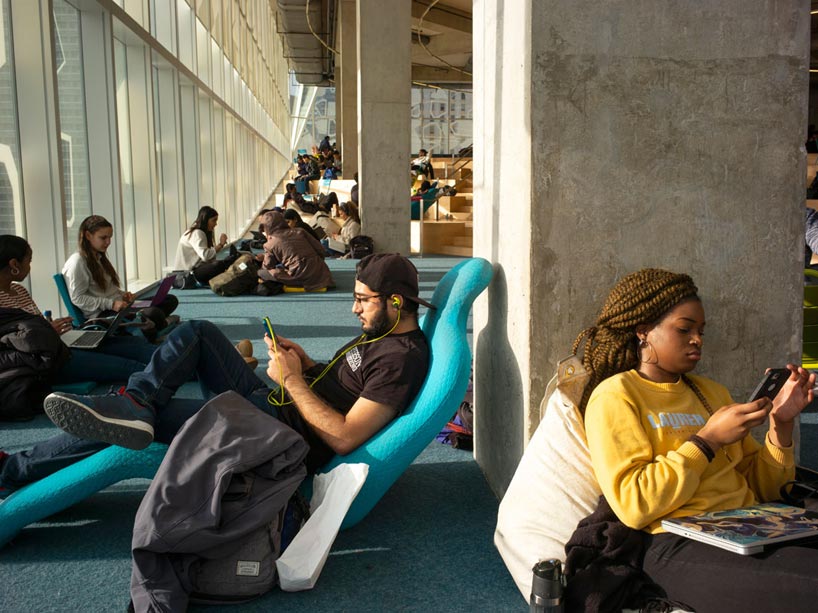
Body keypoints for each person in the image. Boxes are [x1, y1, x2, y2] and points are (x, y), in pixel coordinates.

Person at [0, 254, 432, 495]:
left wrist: (292, 380)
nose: (354, 308)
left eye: (364, 300)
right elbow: (347, 389)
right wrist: (309, 365)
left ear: (396, 301)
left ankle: (13, 471)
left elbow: (343, 436)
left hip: (278, 437)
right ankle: (136, 401)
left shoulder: (401, 358)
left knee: (116, 427)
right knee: (198, 332)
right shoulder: (382, 331)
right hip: (274, 407)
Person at [568, 268, 818, 610]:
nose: (697, 339)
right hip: (675, 542)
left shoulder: (711, 393)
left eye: (700, 331)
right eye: (684, 329)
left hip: (751, 525)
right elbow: (634, 504)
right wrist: (707, 441)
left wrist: (780, 425)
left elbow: (767, 491)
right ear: (643, 332)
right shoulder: (616, 395)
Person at [0, 235, 157, 412]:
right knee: (129, 367)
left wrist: (49, 327)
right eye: (28, 261)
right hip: (47, 360)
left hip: (58, 343)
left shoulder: (19, 290)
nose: (30, 266)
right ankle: (180, 371)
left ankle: (186, 359)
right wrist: (46, 332)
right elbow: (11, 346)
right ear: (14, 264)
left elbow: (31, 327)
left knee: (133, 346)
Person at [63, 215, 178, 332]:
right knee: (154, 312)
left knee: (170, 299)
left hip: (121, 307)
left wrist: (123, 295)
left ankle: (155, 324)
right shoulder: (78, 262)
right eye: (103, 238)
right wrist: (111, 304)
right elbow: (78, 298)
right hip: (105, 314)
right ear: (88, 235)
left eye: (109, 237)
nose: (108, 242)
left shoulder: (98, 258)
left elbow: (107, 290)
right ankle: (161, 323)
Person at [256, 211, 334, 291]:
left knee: (262, 273)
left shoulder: (270, 243)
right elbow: (320, 250)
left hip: (301, 275)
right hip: (322, 272)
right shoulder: (300, 231)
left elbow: (267, 266)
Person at [173, 206, 239, 285]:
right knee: (218, 265)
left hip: (191, 271)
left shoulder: (196, 232)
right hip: (188, 274)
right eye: (213, 220)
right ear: (205, 220)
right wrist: (221, 244)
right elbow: (205, 255)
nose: (215, 224)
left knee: (219, 264)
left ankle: (228, 261)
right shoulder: (197, 233)